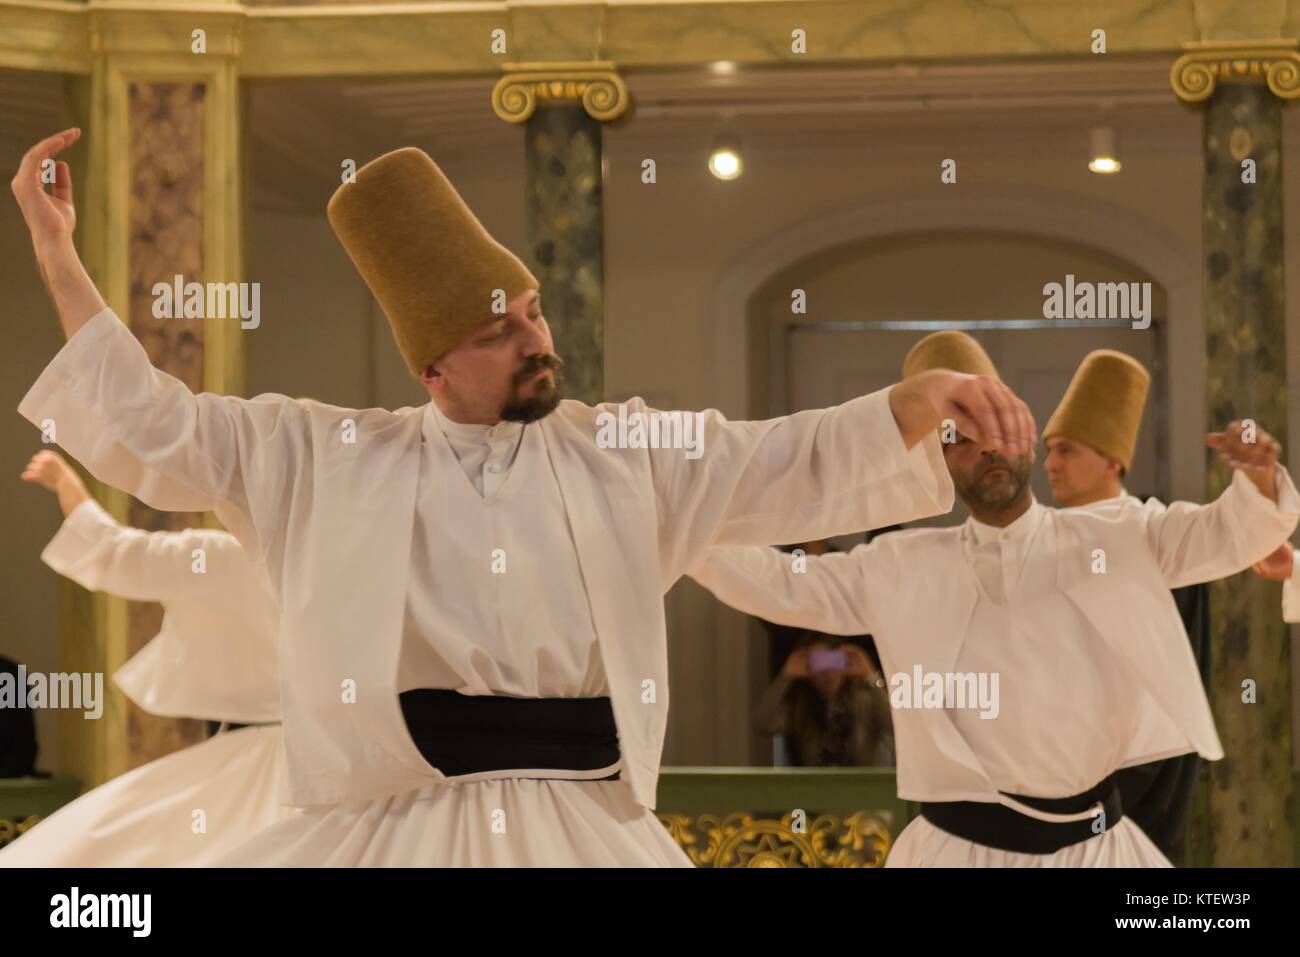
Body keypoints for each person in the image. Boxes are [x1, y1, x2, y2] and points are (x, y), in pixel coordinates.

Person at [11, 129, 1037, 866]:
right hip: (396, 817)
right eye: (498, 328)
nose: (538, 338)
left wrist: (908, 404)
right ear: (432, 368)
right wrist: (60, 255)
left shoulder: (623, 450)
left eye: (534, 311)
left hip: (587, 825)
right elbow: (154, 426)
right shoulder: (320, 455)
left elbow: (779, 460)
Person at [689, 330, 1298, 867]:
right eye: (958, 438)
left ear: (1026, 436)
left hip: (1094, 852)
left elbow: (1225, 535)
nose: (982, 450)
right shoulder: (899, 566)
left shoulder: (1118, 532)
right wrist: (678, 531)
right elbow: (778, 584)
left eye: (995, 432)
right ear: (937, 461)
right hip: (955, 854)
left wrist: (1260, 479)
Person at [0, 450, 290, 867]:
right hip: (331, 761)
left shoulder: (218, 557)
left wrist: (66, 484)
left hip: (253, 762)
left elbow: (112, 551)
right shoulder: (332, 568)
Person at [1042, 349, 1209, 864]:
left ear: (1112, 460)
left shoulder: (1156, 544)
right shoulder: (1045, 543)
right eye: (1048, 450)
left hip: (1138, 781)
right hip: (1053, 782)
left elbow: (1170, 687)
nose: (1049, 464)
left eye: (1066, 450)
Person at [755, 635, 894, 767]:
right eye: (819, 663)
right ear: (807, 667)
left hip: (866, 786)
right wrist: (785, 676)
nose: (828, 672)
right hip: (817, 787)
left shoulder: (866, 702)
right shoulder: (800, 706)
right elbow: (763, 723)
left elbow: (895, 725)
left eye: (835, 662)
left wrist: (871, 675)